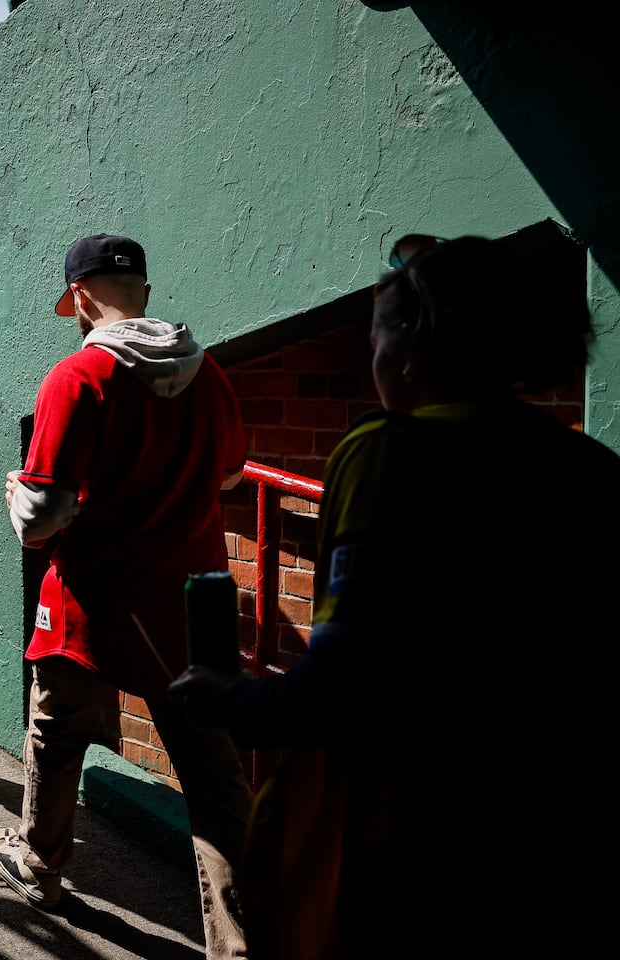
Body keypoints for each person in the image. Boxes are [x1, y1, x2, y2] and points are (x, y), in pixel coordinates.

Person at [166, 234, 620, 960]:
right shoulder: (595, 470)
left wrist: (236, 702)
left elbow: (347, 677)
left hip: (398, 843)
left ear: (411, 342)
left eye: (376, 330)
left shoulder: (386, 451)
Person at [0, 234, 252, 958]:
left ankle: (40, 863)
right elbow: (230, 476)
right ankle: (242, 945)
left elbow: (42, 520)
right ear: (146, 293)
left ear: (77, 298)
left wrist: (19, 498)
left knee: (58, 725)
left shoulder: (76, 377)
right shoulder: (210, 374)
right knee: (210, 773)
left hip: (94, 594)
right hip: (191, 599)